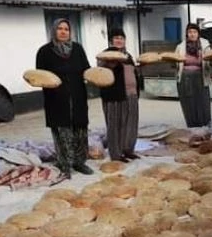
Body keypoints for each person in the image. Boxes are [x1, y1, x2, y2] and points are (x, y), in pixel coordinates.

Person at [35, 18, 94, 177]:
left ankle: (80, 162)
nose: (63, 31)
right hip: (57, 100)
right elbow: (40, 77)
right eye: (59, 28)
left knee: (80, 132)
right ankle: (64, 164)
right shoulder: (45, 52)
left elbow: (86, 70)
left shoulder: (78, 49)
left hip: (77, 97)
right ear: (54, 31)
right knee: (62, 133)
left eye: (66, 29)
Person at [98, 28, 142, 163]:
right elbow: (101, 73)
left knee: (130, 124)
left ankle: (128, 150)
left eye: (121, 38)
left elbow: (132, 73)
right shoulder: (105, 55)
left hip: (131, 94)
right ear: (111, 40)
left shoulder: (127, 55)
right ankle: (116, 154)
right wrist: (112, 63)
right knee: (115, 125)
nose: (119, 40)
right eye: (116, 37)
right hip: (114, 96)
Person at [174, 23, 212, 128]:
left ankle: (205, 129)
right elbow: (175, 64)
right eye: (190, 32)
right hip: (185, 80)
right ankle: (192, 129)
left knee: (203, 104)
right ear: (187, 33)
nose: (192, 34)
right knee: (189, 105)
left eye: (194, 32)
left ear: (198, 33)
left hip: (200, 78)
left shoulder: (205, 45)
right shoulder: (180, 46)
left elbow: (209, 61)